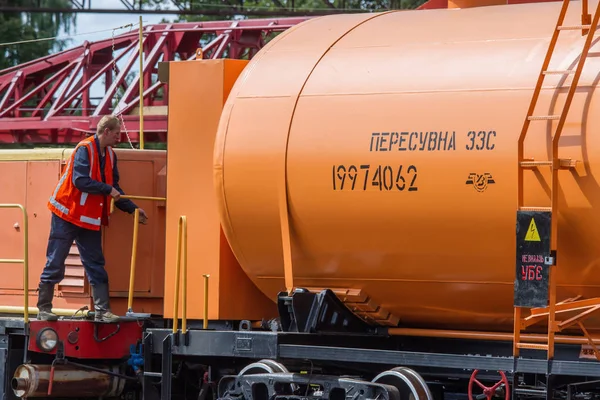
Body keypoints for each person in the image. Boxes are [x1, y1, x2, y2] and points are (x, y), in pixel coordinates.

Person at [37, 115, 148, 323]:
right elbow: (80, 181)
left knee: (96, 263)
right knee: (56, 261)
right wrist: (108, 190)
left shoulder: (111, 155)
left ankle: (102, 311)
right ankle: (44, 308)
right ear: (106, 131)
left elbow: (115, 188)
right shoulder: (84, 149)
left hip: (88, 218)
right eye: (117, 134)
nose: (119, 138)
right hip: (66, 213)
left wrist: (133, 209)